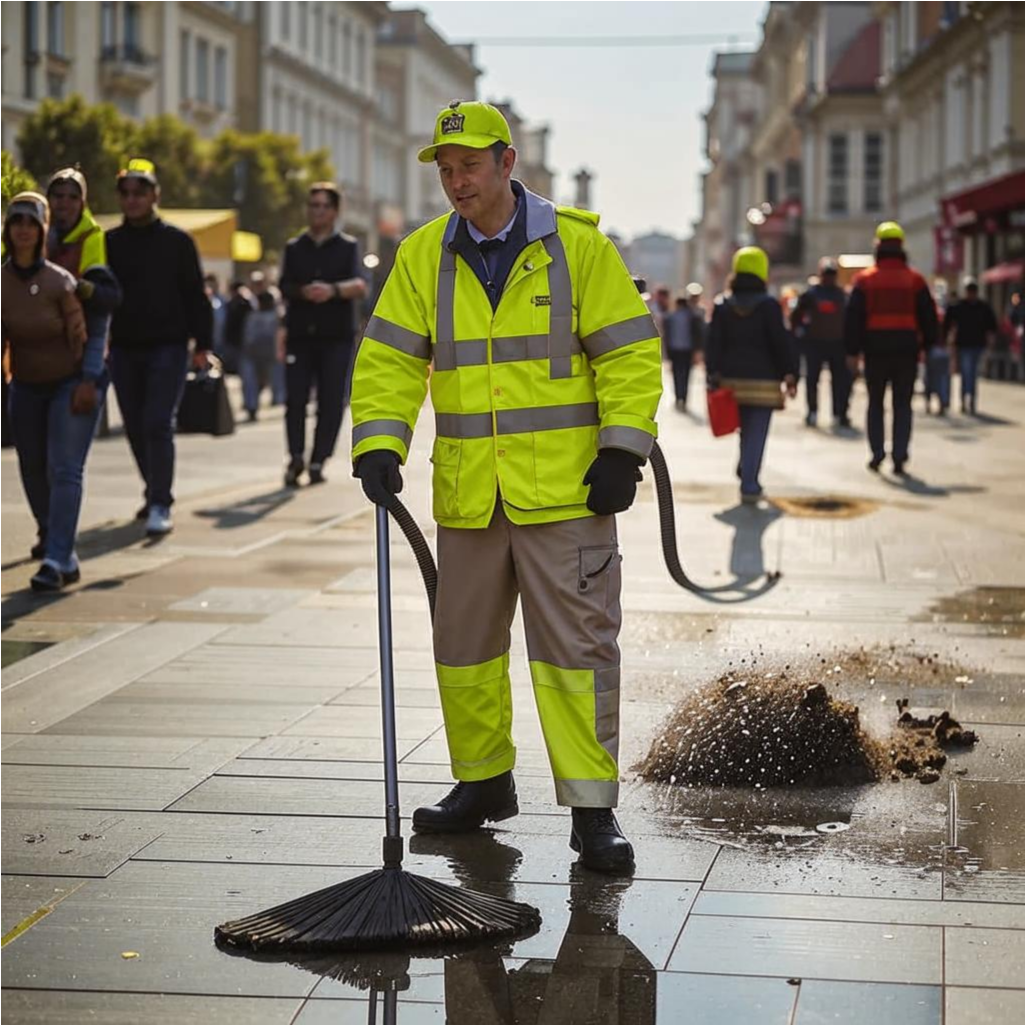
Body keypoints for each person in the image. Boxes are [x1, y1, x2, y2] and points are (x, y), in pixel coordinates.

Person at [350, 100, 662, 873]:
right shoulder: (425, 255)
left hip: (568, 496)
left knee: (576, 655)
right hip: (470, 494)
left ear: (506, 164)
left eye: (469, 167)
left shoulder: (578, 248)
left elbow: (627, 354)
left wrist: (622, 449)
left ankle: (593, 811)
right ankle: (483, 782)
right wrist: (379, 441)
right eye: (446, 170)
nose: (456, 182)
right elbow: (390, 357)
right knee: (465, 653)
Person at [105, 158, 212, 535]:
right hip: (124, 348)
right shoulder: (110, 242)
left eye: (140, 192)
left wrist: (203, 344)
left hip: (169, 346)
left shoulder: (178, 241)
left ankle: (160, 502)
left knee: (157, 422)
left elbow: (196, 296)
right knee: (134, 425)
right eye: (126, 193)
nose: (132, 200)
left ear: (155, 195)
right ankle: (152, 489)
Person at [1, 193, 101, 592]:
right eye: (16, 222)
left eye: (31, 223)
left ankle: (56, 557)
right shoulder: (2, 281)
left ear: (43, 231)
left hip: (69, 384)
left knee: (64, 468)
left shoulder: (60, 281)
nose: (23, 229)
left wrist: (88, 381)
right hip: (25, 385)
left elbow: (85, 336)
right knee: (31, 467)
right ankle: (57, 539)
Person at [279, 182, 368, 487]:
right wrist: (303, 291)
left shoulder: (348, 246)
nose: (317, 211)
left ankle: (319, 459)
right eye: (312, 205)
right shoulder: (295, 247)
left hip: (336, 336)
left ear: (335, 211)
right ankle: (295, 457)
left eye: (323, 206)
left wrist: (332, 290)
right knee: (295, 400)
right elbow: (284, 286)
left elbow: (360, 284)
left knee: (331, 401)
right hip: (301, 335)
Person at [705, 246, 798, 504]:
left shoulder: (723, 305)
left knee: (744, 431)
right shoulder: (769, 306)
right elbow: (780, 342)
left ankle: (746, 467)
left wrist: (712, 374)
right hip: (764, 382)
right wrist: (790, 374)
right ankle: (749, 483)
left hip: (731, 381)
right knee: (756, 431)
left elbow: (713, 343)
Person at [845, 222, 938, 475]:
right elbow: (929, 318)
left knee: (875, 403)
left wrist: (852, 353)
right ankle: (899, 456)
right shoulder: (915, 280)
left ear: (878, 246)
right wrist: (929, 347)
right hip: (907, 351)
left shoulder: (865, 280)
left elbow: (853, 319)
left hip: (875, 350)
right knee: (902, 405)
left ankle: (877, 453)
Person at [792, 258, 851, 428]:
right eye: (827, 274)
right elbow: (796, 315)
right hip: (815, 343)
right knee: (812, 379)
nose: (829, 278)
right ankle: (812, 412)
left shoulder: (841, 295)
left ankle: (839, 413)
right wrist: (801, 332)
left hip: (837, 344)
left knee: (840, 381)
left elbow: (849, 319)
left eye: (832, 274)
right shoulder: (811, 294)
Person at [944, 278, 998, 415]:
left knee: (972, 374)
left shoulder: (983, 307)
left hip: (978, 345)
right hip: (963, 345)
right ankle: (964, 399)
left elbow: (991, 326)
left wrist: (990, 343)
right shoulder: (960, 306)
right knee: (967, 372)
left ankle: (971, 400)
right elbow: (948, 320)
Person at [239, 271, 286, 421]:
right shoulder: (250, 308)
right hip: (256, 352)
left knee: (258, 380)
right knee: (255, 381)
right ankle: (255, 405)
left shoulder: (263, 313)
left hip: (264, 352)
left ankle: (261, 402)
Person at [663, 288, 704, 410]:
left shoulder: (670, 317)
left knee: (676, 375)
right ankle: (684, 398)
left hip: (674, 350)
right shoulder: (692, 317)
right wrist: (698, 350)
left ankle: (678, 397)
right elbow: (698, 335)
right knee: (686, 375)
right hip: (688, 350)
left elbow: (667, 336)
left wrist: (666, 353)